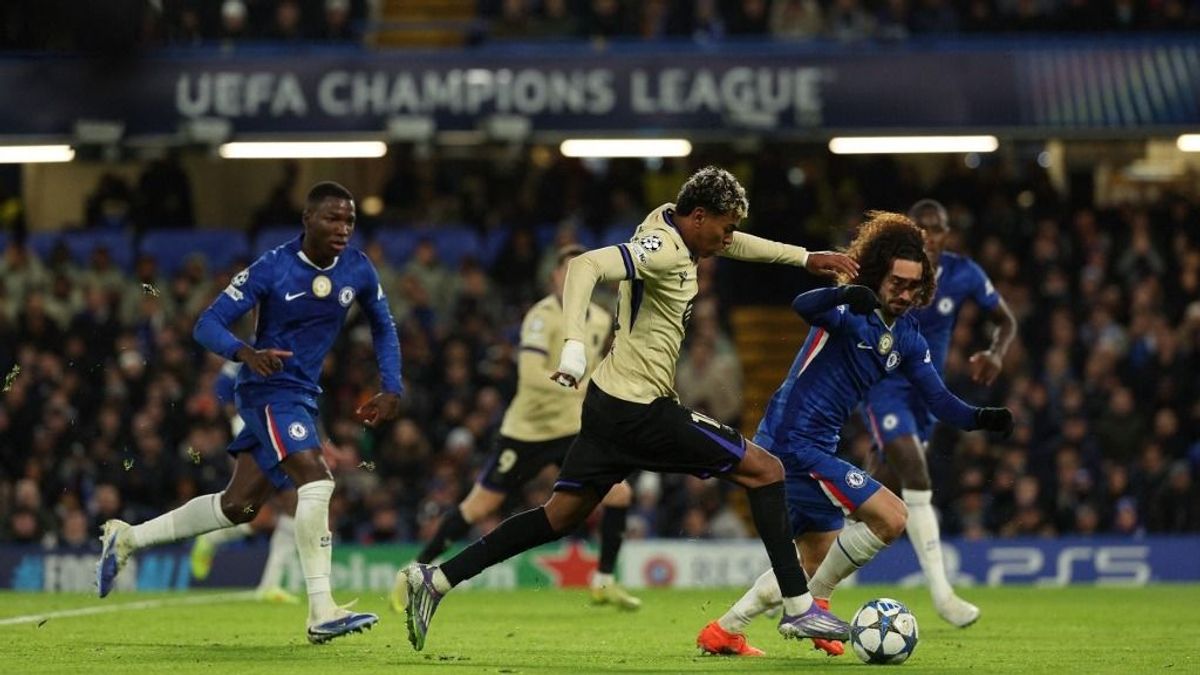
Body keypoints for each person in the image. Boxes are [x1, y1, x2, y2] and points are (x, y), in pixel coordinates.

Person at [396, 165, 860, 652]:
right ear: (699, 217)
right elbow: (584, 266)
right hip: (641, 409)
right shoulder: (663, 249)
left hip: (607, 404)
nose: (728, 239)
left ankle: (438, 579)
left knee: (559, 516)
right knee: (766, 471)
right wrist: (574, 345)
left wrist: (803, 258)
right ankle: (798, 605)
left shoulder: (673, 222)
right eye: (724, 227)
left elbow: (735, 244)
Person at [97, 182, 404, 644]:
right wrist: (244, 352)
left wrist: (392, 386)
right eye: (332, 219)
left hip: (302, 394)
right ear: (307, 220)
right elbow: (207, 324)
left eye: (349, 221)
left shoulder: (358, 268)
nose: (343, 229)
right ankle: (321, 610)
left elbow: (383, 326)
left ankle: (127, 539)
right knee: (317, 480)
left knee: (237, 506)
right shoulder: (273, 267)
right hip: (267, 391)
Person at [696, 211, 1013, 657]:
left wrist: (981, 418)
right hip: (792, 442)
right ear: (879, 274)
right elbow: (802, 306)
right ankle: (813, 608)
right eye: (897, 283)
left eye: (914, 286)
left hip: (819, 444)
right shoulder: (848, 312)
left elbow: (939, 401)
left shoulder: (908, 336)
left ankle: (726, 630)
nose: (905, 294)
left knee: (814, 562)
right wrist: (845, 292)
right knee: (892, 516)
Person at [397, 245, 642, 610]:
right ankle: (413, 572)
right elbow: (529, 375)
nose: (574, 280)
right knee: (479, 506)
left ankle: (603, 581)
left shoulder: (601, 319)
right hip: (528, 430)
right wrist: (580, 387)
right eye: (567, 272)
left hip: (572, 428)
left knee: (619, 494)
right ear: (554, 277)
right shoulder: (541, 317)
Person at [861, 199, 1016, 627]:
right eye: (921, 227)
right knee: (916, 473)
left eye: (938, 227)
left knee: (876, 496)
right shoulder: (888, 271)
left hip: (927, 394)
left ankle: (799, 578)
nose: (929, 235)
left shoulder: (964, 273)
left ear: (948, 234)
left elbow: (1005, 320)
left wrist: (996, 352)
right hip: (884, 386)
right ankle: (943, 596)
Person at [189, 361, 300, 605]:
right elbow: (224, 391)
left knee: (285, 507)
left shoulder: (288, 353)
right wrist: (241, 425)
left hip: (279, 433)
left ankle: (270, 584)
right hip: (255, 435)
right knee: (255, 510)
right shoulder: (244, 357)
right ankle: (210, 539)